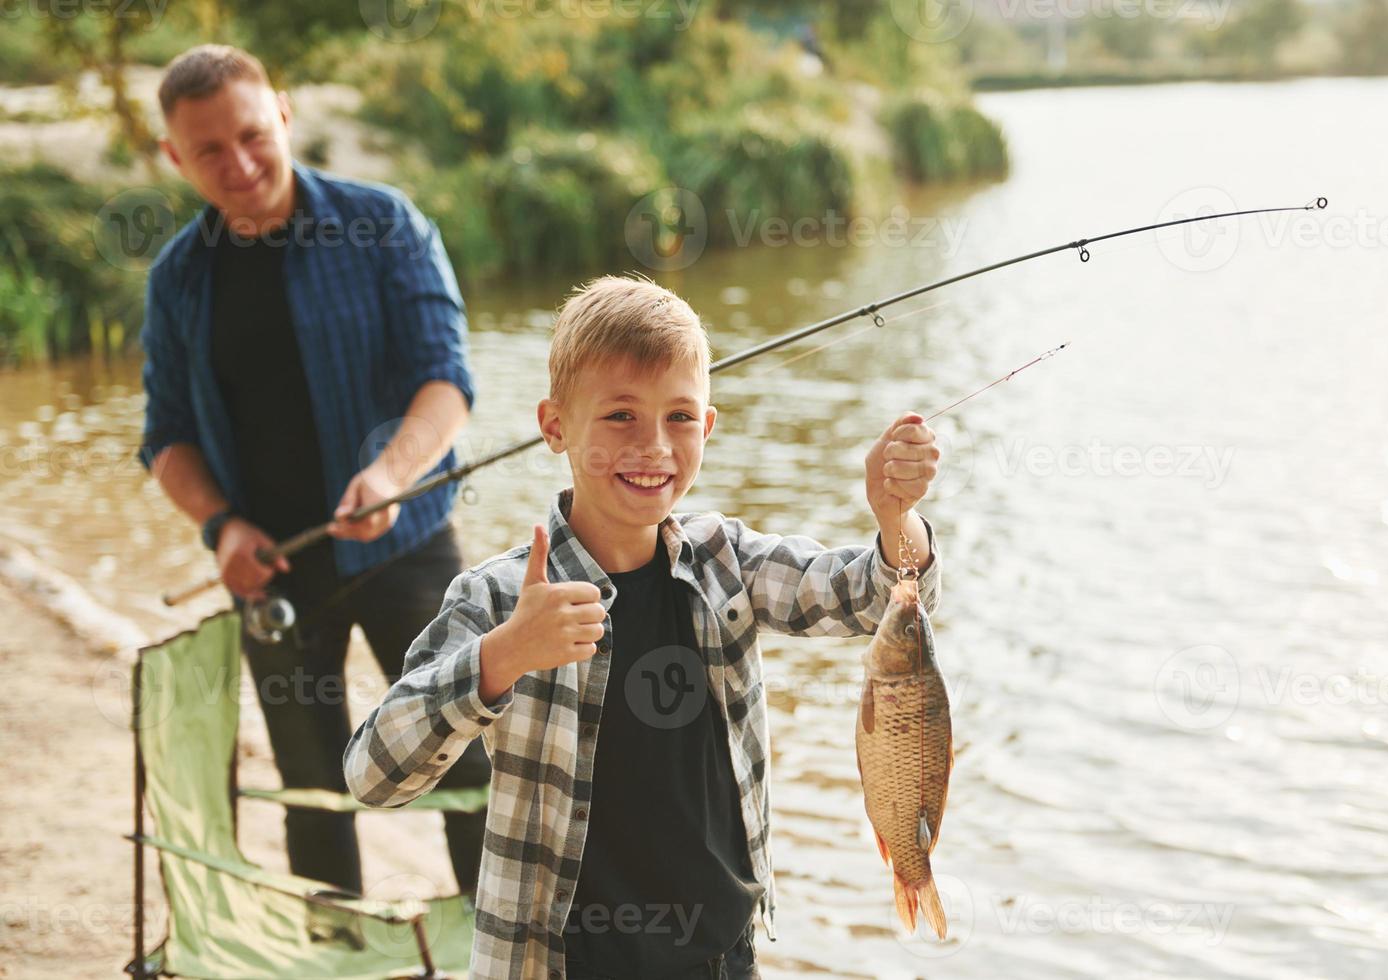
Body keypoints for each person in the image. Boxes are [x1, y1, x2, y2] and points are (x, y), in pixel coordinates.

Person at [344, 274, 943, 979]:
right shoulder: (503, 596)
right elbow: (373, 774)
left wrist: (894, 517)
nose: (654, 446)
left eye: (680, 417)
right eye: (620, 416)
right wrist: (501, 658)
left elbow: (870, 598)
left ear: (708, 427)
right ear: (555, 424)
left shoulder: (730, 561)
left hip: (723, 954)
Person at [136, 44, 489, 896]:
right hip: (271, 576)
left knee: (474, 775)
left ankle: (501, 951)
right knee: (311, 794)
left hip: (408, 548)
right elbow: (167, 437)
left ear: (284, 116)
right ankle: (334, 948)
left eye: (252, 135)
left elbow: (447, 380)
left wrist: (394, 471)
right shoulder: (178, 280)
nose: (240, 163)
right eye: (209, 151)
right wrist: (222, 528)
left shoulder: (386, 225)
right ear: (173, 158)